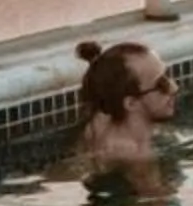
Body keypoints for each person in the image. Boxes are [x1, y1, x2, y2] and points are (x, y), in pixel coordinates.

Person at [76, 38, 179, 167]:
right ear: (131, 103)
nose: (174, 88)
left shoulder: (99, 121)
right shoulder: (137, 156)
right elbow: (153, 187)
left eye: (167, 76)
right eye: (161, 85)